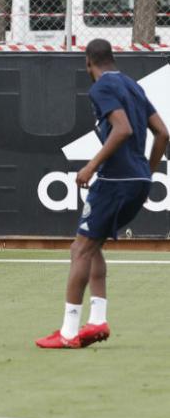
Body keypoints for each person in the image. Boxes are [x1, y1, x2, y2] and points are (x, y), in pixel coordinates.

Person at [36, 39, 168, 349]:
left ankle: (68, 332)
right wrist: (147, 171)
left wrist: (91, 167)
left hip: (114, 180)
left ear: (88, 63)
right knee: (92, 246)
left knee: (79, 249)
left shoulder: (100, 88)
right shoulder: (132, 86)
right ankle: (97, 320)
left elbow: (122, 129)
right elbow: (163, 132)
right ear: (112, 59)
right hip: (136, 180)